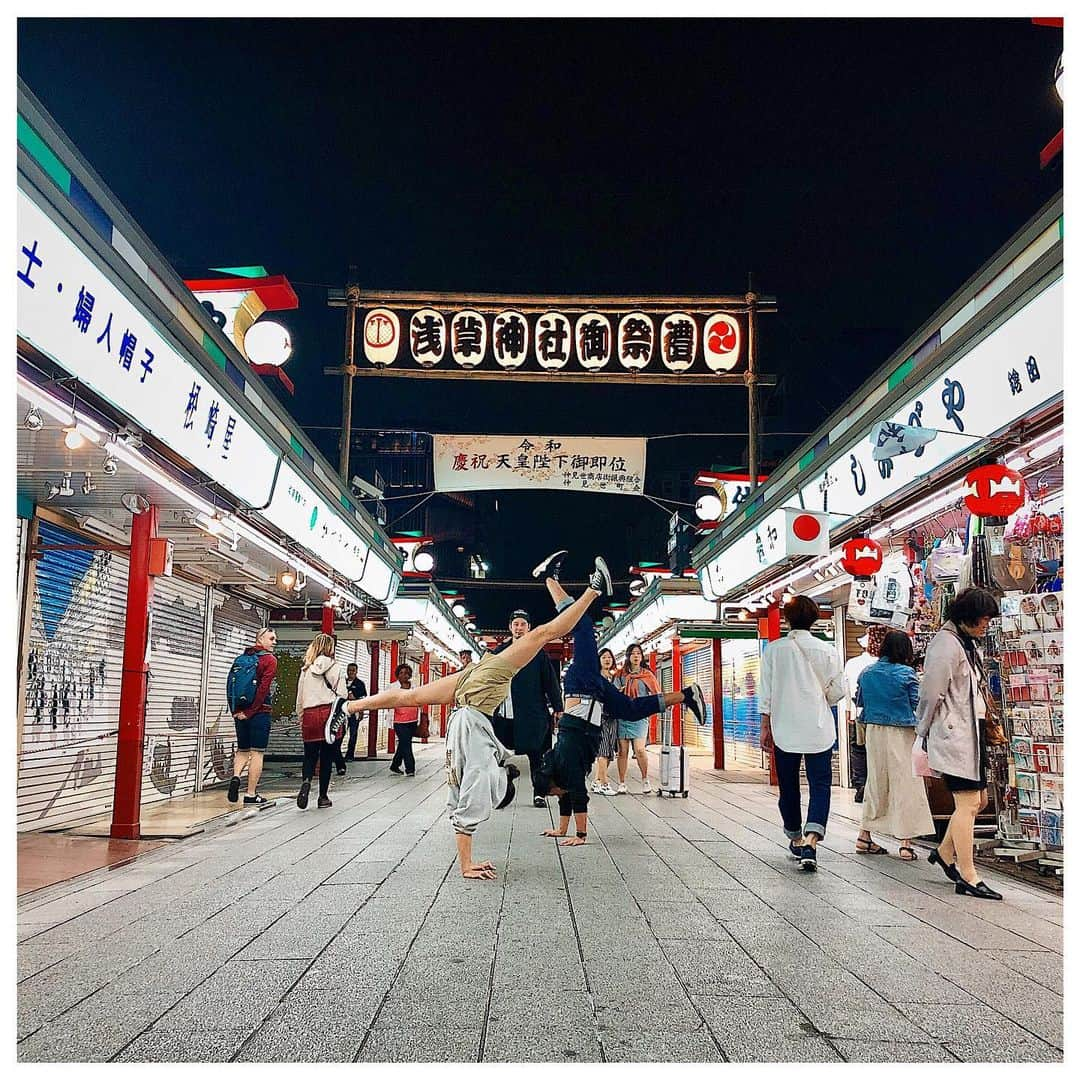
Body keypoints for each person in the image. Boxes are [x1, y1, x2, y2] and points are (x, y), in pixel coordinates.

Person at [329, 555, 613, 879]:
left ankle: (348, 706)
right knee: (543, 634)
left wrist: (467, 861)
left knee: (413, 695)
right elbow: (463, 805)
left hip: (474, 687)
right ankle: (590, 589)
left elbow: (462, 803)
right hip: (478, 688)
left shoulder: (476, 761)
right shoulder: (477, 762)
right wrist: (467, 864)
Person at [530, 560, 706, 844]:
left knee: (583, 626)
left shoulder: (566, 765)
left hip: (583, 685)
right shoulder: (560, 773)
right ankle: (687, 695)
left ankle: (555, 580)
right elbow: (567, 795)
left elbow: (578, 795)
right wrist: (561, 831)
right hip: (594, 694)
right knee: (630, 709)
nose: (553, 796)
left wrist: (581, 835)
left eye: (549, 792)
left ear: (551, 783)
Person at [916, 587, 1003, 901]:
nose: (986, 625)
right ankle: (968, 875)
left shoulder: (965, 642)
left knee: (978, 801)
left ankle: (943, 851)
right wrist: (922, 732)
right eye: (983, 619)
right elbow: (931, 692)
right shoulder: (945, 644)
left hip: (971, 733)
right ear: (967, 617)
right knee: (967, 804)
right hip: (956, 735)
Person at [759, 595, 845, 871]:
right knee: (820, 784)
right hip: (818, 728)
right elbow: (839, 690)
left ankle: (795, 837)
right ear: (815, 619)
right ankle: (811, 840)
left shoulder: (774, 651)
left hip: (785, 728)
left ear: (786, 619)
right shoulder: (827, 650)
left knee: (789, 785)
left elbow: (766, 694)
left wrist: (764, 727)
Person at [855, 630, 933, 861]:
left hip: (874, 732)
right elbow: (917, 704)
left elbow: (859, 701)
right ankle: (905, 843)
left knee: (876, 783)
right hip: (902, 733)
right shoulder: (906, 674)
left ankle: (864, 836)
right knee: (906, 784)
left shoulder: (866, 673)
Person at [492, 607, 563, 807]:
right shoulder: (497, 653)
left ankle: (539, 793)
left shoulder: (538, 654)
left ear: (529, 628)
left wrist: (558, 707)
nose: (519, 628)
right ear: (509, 627)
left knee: (538, 756)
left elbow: (551, 682)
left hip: (532, 715)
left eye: (523, 624)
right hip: (503, 715)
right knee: (495, 755)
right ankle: (499, 792)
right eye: (516, 624)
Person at [294, 633, 349, 809]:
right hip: (328, 714)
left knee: (309, 755)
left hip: (310, 714)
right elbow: (343, 694)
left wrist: (301, 716)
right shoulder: (335, 667)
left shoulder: (306, 669)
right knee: (327, 757)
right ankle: (323, 797)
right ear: (330, 647)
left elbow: (300, 698)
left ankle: (306, 781)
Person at [228, 627, 277, 807]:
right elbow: (263, 690)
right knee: (257, 752)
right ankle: (250, 793)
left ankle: (235, 777)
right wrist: (251, 712)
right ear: (260, 639)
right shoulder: (269, 660)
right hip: (259, 713)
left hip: (239, 712)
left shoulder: (241, 659)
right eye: (271, 639)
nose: (274, 642)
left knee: (242, 750)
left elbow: (230, 686)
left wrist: (236, 711)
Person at [616, 643, 660, 794]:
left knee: (640, 749)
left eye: (638, 654)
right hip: (623, 715)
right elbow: (613, 693)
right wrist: (619, 692)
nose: (636, 656)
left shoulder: (648, 674)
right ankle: (622, 783)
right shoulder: (620, 675)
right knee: (623, 751)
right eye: (633, 654)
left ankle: (645, 779)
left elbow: (656, 693)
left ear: (642, 657)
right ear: (628, 656)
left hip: (640, 715)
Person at [843, 632, 875, 801]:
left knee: (858, 749)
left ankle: (860, 784)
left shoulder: (852, 664)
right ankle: (873, 785)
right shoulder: (880, 664)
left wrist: (848, 711)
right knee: (875, 750)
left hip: (858, 713)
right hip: (877, 716)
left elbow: (847, 690)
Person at [591, 648, 619, 796]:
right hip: (599, 717)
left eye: (609, 657)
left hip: (612, 717)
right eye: (604, 657)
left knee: (608, 751)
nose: (607, 660)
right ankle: (604, 783)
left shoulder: (613, 677)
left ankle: (596, 781)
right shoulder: (596, 678)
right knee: (602, 751)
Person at [389, 663, 421, 777]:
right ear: (397, 675)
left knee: (403, 744)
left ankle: (395, 765)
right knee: (407, 744)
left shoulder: (415, 687)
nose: (404, 675)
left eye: (406, 673)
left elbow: (420, 700)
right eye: (401, 673)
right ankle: (410, 768)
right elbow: (387, 700)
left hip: (412, 720)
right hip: (399, 721)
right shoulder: (393, 687)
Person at [343, 662, 368, 762]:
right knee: (340, 733)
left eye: (353, 670)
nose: (351, 672)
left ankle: (350, 755)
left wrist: (361, 712)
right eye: (349, 670)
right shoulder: (342, 682)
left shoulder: (360, 684)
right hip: (342, 713)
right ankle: (336, 755)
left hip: (355, 713)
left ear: (356, 671)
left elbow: (363, 699)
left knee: (353, 734)